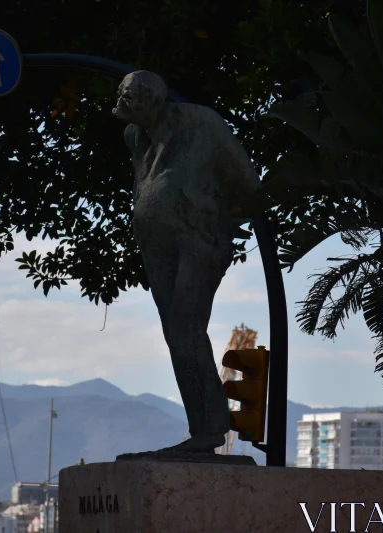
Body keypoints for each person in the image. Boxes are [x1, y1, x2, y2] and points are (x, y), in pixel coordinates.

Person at [113, 71, 260, 454]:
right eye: (121, 96)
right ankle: (204, 428)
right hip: (157, 247)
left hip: (199, 237)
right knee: (176, 334)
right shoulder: (135, 136)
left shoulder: (201, 122)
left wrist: (213, 216)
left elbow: (247, 182)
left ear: (154, 100)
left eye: (130, 97)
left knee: (185, 327)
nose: (123, 102)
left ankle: (210, 429)